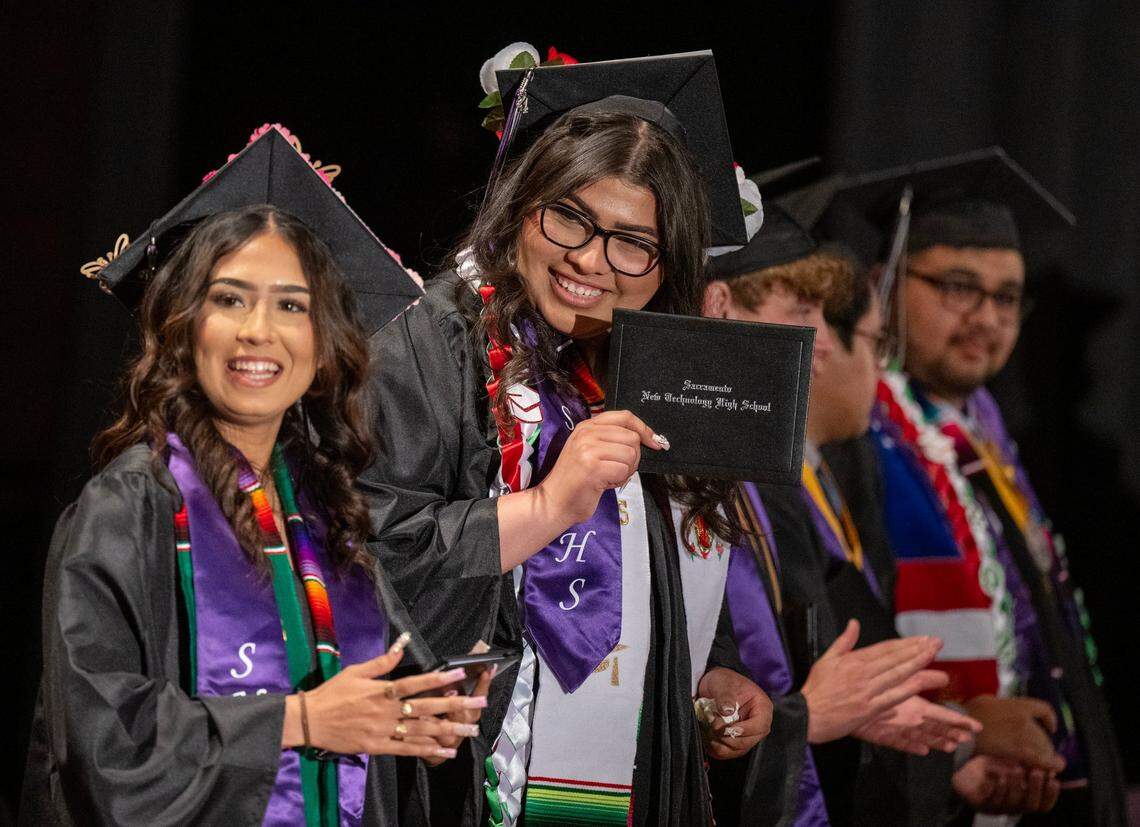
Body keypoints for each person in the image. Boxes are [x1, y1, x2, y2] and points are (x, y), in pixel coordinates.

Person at [21, 125, 483, 827]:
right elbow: (99, 748)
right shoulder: (128, 509)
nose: (258, 331)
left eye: (291, 305)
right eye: (229, 298)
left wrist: (424, 717)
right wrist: (299, 719)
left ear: (324, 344)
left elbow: (378, 723)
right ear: (183, 326)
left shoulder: (328, 516)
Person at [360, 50, 774, 826]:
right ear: (521, 205)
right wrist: (549, 504)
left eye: (631, 243)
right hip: (467, 776)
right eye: (570, 217)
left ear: (665, 265)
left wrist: (708, 671)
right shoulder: (427, 345)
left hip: (628, 776)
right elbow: (373, 551)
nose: (590, 260)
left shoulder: (649, 372)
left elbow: (657, 570)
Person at [832, 147, 1127, 825]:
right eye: (958, 286)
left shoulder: (986, 434)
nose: (988, 317)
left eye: (1007, 297)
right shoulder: (851, 435)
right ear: (883, 283)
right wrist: (959, 724)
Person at [701, 182, 979, 826]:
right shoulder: (672, 474)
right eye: (803, 311)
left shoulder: (754, 479)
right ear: (720, 307)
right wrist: (806, 718)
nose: (822, 344)